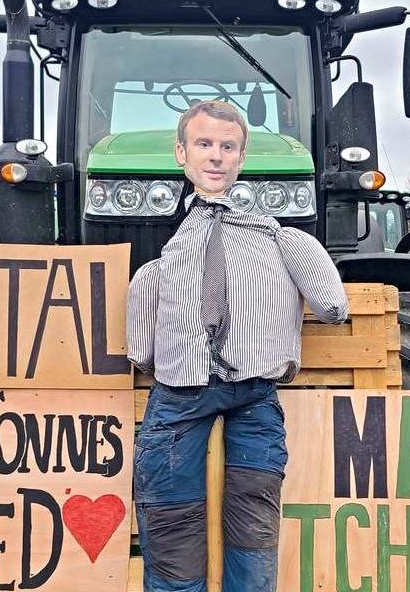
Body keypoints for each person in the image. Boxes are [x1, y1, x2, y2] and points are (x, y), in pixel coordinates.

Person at [127, 100, 347, 592]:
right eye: (204, 145)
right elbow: (141, 345)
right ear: (181, 152)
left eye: (228, 147)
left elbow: (333, 305)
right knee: (170, 521)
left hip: (254, 393)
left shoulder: (276, 237)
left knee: (254, 524)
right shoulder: (168, 252)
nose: (216, 157)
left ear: (241, 159)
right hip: (180, 396)